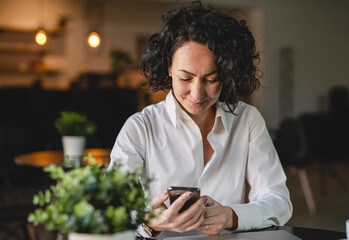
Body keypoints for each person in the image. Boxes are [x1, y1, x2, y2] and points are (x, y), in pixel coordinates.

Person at [108, 1, 292, 237]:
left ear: (227, 73)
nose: (197, 93)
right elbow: (111, 211)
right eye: (186, 77)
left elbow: (279, 202)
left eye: (211, 79)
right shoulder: (140, 128)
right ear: (168, 67)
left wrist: (230, 216)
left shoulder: (246, 120)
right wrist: (149, 222)